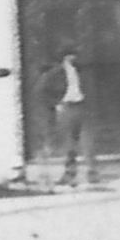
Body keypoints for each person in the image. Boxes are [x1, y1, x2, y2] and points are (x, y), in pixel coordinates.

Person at [34, 46, 93, 189]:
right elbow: (41, 91)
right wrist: (56, 104)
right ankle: (65, 175)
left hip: (80, 106)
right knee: (67, 143)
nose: (74, 58)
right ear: (65, 57)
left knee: (82, 142)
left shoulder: (80, 71)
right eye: (71, 55)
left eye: (74, 55)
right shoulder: (55, 73)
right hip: (65, 107)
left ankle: (81, 174)